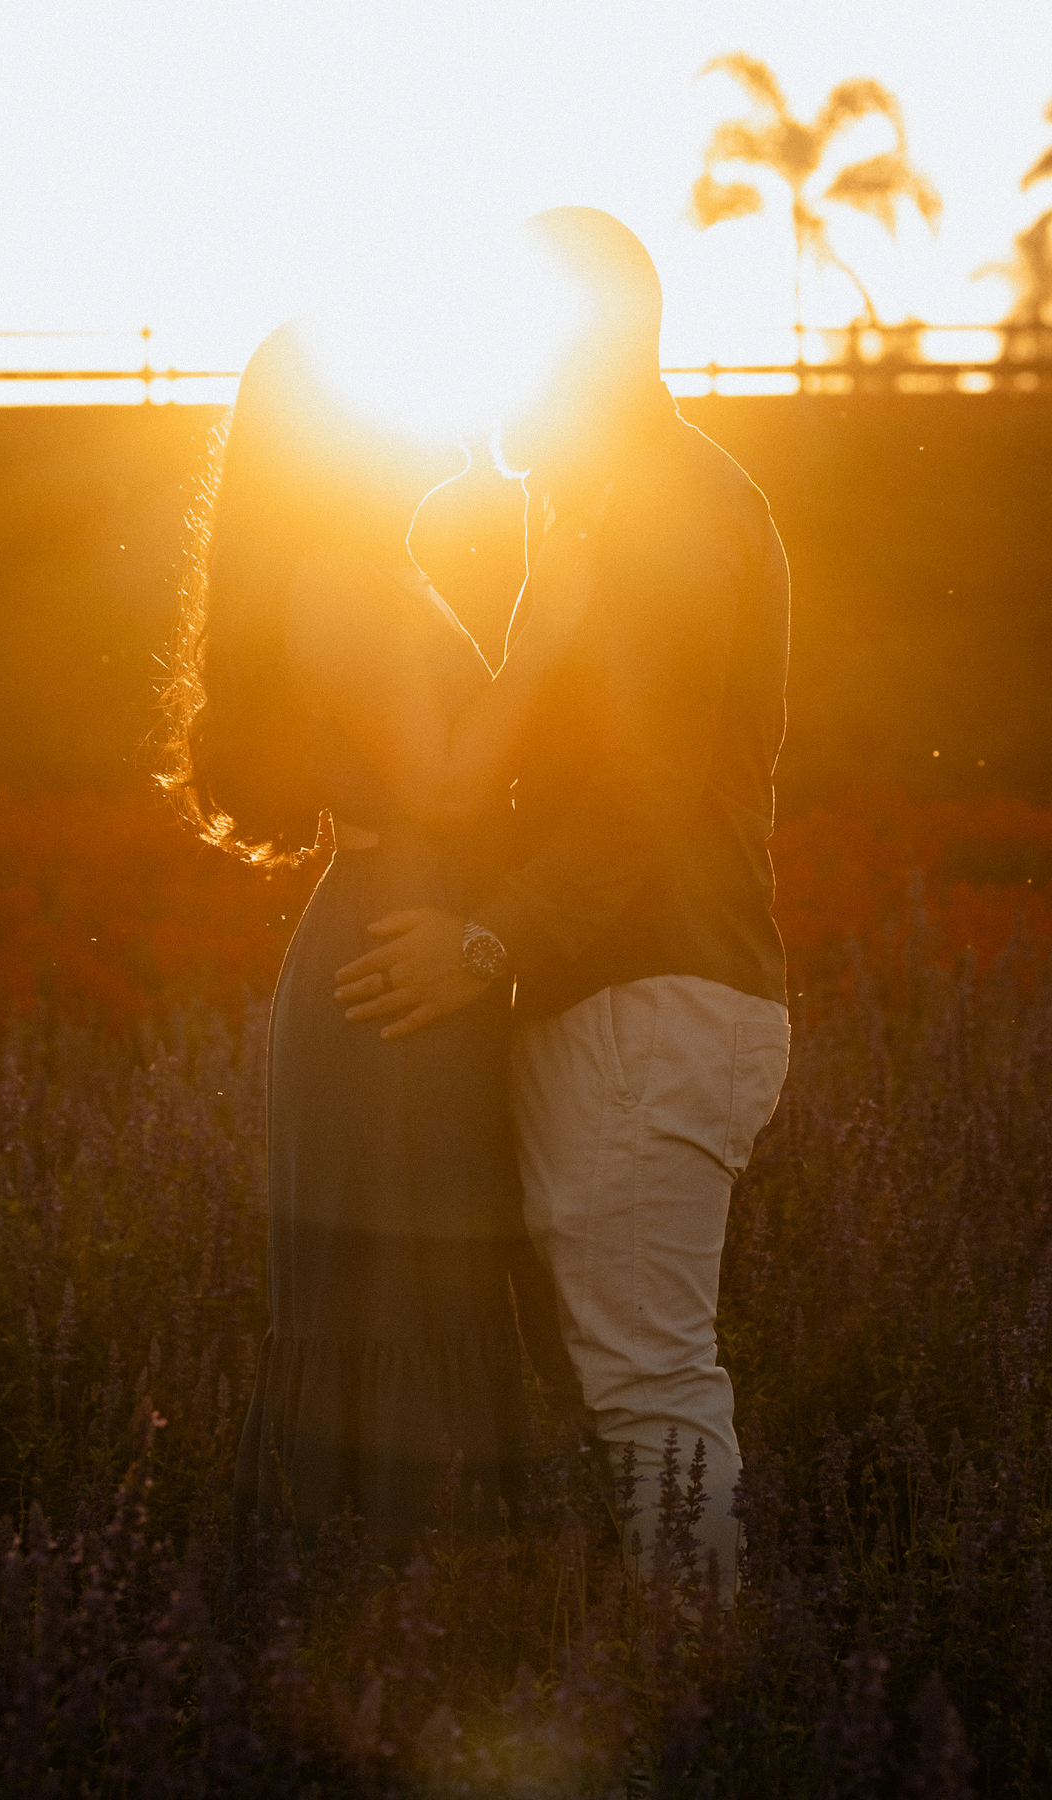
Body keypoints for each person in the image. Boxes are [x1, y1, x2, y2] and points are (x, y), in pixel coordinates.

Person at [333, 207, 792, 1605]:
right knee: (621, 1386)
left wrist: (489, 943)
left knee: (650, 1387)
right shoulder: (613, 502)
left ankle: (704, 1689)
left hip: (647, 999)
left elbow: (642, 802)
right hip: (630, 993)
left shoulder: (660, 514)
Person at [160, 318, 590, 1578]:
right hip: (397, 967)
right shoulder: (344, 580)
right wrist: (550, 631)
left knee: (433, 1288)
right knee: (406, 1297)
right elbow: (448, 785)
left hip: (412, 946)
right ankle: (399, 1608)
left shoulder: (365, 570)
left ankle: (411, 1599)